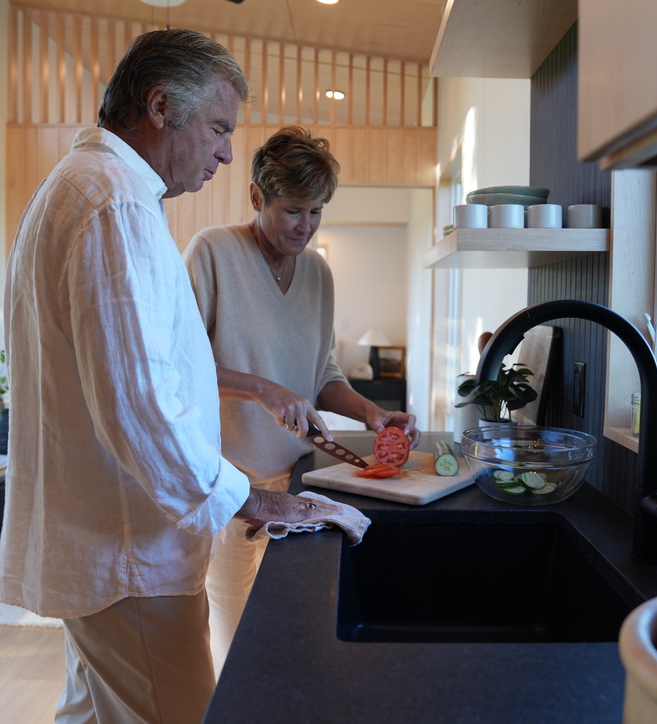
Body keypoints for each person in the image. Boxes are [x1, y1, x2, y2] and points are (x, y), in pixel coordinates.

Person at [0, 31, 336, 724]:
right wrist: (246, 497)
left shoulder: (91, 188)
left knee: (90, 714)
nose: (225, 152)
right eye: (217, 128)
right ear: (159, 107)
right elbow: (138, 404)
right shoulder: (114, 203)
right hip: (130, 552)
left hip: (107, 542)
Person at [183, 125, 421, 673]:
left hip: (300, 487)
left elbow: (321, 373)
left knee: (295, 635)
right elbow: (180, 369)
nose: (305, 226)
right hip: (230, 490)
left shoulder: (318, 273)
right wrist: (263, 389)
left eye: (316, 212)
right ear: (256, 196)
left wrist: (373, 413)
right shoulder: (213, 252)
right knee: (238, 644)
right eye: (292, 210)